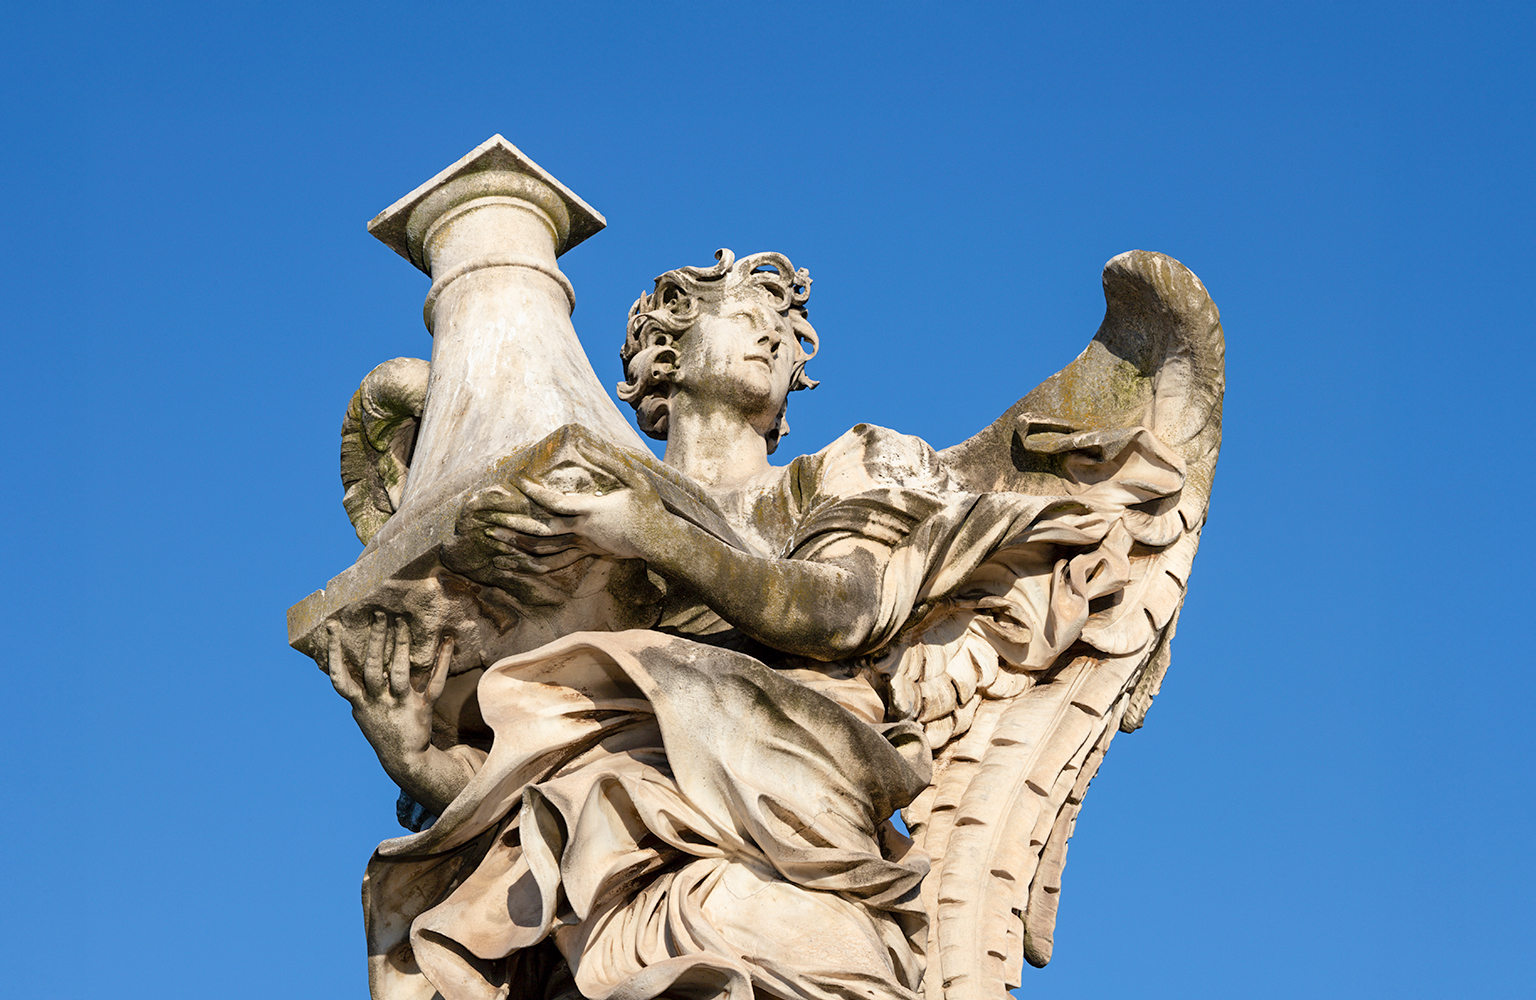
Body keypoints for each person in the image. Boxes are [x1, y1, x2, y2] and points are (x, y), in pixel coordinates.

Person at [330, 250, 1172, 1000]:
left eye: (785, 331)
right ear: (667, 355)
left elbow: (846, 609)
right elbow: (554, 796)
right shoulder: (576, 535)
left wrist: (656, 535)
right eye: (746, 318)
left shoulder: (832, 475)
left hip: (795, 820)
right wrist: (417, 757)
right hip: (610, 910)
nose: (773, 341)